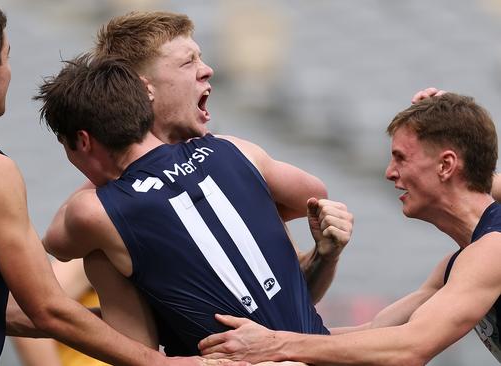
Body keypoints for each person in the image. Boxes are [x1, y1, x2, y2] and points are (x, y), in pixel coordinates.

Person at [0, 1, 240, 365]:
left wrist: (149, 324)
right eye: (7, 57)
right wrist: (162, 363)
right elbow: (47, 307)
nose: (10, 71)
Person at [13, 11, 348, 364]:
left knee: (101, 258)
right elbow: (312, 196)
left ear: (82, 140)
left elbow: (55, 247)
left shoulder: (101, 210)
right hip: (310, 354)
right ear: (144, 90)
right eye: (188, 62)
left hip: (272, 351)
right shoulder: (234, 151)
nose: (207, 70)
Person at [198, 92, 501, 365]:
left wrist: (277, 345)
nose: (389, 173)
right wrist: (259, 342)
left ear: (446, 165)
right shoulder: (458, 264)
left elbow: (410, 348)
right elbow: (377, 333)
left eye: (401, 158)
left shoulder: (492, 249)